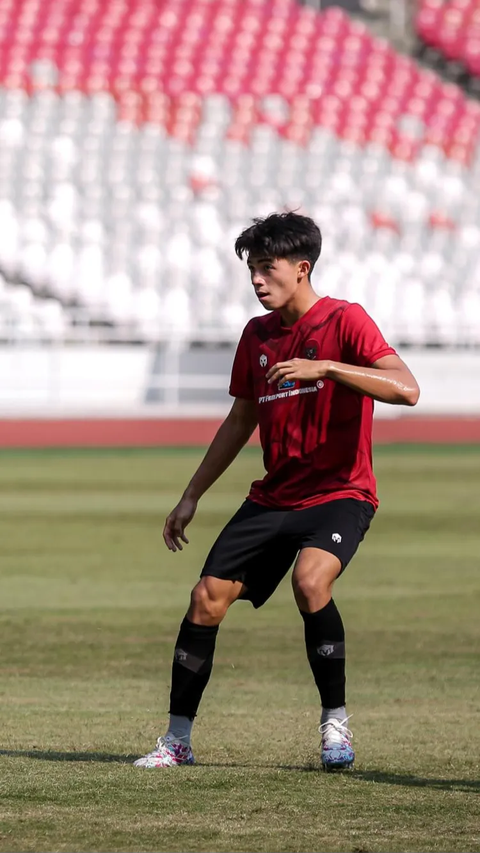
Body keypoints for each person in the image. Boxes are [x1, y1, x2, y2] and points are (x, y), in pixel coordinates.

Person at [134, 211, 420, 770]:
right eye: (253, 272)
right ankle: (177, 740)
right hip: (272, 497)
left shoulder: (346, 321)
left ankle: (335, 725)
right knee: (205, 599)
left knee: (310, 581)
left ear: (302, 267)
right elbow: (240, 421)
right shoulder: (256, 335)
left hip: (340, 492)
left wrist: (329, 368)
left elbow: (407, 389)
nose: (258, 281)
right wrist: (191, 495)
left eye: (268, 269)